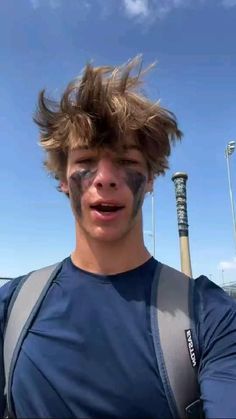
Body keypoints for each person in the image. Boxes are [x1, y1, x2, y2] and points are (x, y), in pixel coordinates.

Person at [0, 57, 236, 418]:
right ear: (63, 179)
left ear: (152, 179)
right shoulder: (11, 308)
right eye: (86, 160)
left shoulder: (211, 317)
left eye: (127, 162)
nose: (105, 178)